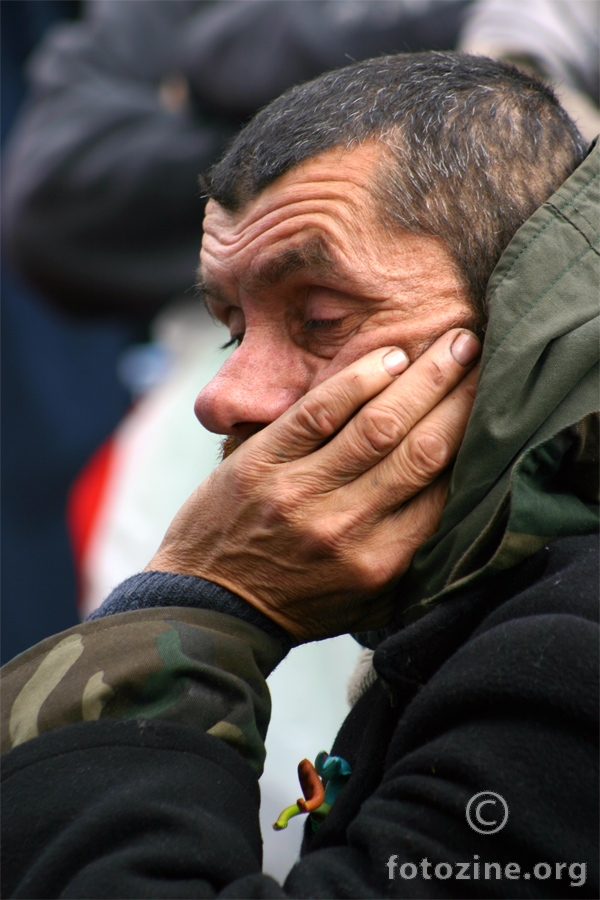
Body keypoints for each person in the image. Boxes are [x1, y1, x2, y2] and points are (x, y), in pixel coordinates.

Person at [2, 52, 598, 898]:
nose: (223, 397)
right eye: (230, 330)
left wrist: (197, 605)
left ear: (525, 317)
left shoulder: (567, 657)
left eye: (321, 318)